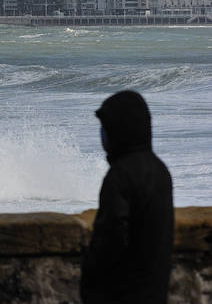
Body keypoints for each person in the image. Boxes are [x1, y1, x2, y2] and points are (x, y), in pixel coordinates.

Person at [81, 90, 173, 303]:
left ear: (118, 131)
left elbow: (111, 237)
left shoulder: (121, 174)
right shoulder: (159, 170)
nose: (102, 134)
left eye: (105, 128)